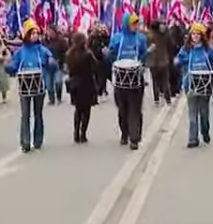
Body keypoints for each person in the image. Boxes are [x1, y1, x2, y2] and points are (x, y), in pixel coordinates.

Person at [5, 19, 58, 152]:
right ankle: (25, 142)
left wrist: (52, 62)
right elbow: (13, 66)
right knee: (25, 115)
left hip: (39, 86)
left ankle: (38, 140)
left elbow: (53, 65)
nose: (35, 35)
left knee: (38, 114)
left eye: (37, 33)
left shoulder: (43, 50)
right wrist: (8, 66)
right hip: (24, 87)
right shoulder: (20, 52)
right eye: (32, 33)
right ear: (27, 35)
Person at [108, 13, 149, 150]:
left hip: (136, 79)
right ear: (126, 24)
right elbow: (111, 56)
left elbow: (143, 55)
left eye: (137, 23)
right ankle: (124, 133)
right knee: (122, 110)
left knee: (135, 110)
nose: (135, 26)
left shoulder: (141, 39)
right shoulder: (117, 38)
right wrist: (108, 54)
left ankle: (134, 138)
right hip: (120, 79)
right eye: (133, 23)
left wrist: (145, 57)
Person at [175, 23, 213, 148]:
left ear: (201, 36)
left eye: (197, 34)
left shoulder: (207, 49)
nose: (195, 36)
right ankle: (192, 139)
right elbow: (178, 59)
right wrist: (177, 61)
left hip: (205, 84)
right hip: (190, 84)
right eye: (193, 34)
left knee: (204, 113)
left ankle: (205, 131)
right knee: (192, 114)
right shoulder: (186, 49)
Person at [66, 31, 98, 144]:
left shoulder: (69, 54)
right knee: (86, 111)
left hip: (75, 84)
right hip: (87, 83)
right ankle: (83, 133)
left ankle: (76, 132)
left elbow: (68, 69)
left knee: (78, 110)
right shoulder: (88, 54)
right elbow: (95, 67)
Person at [146, 21, 173, 106]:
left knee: (155, 82)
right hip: (163, 61)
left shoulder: (149, 35)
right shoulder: (164, 35)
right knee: (165, 81)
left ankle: (156, 99)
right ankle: (168, 99)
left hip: (153, 62)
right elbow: (171, 44)